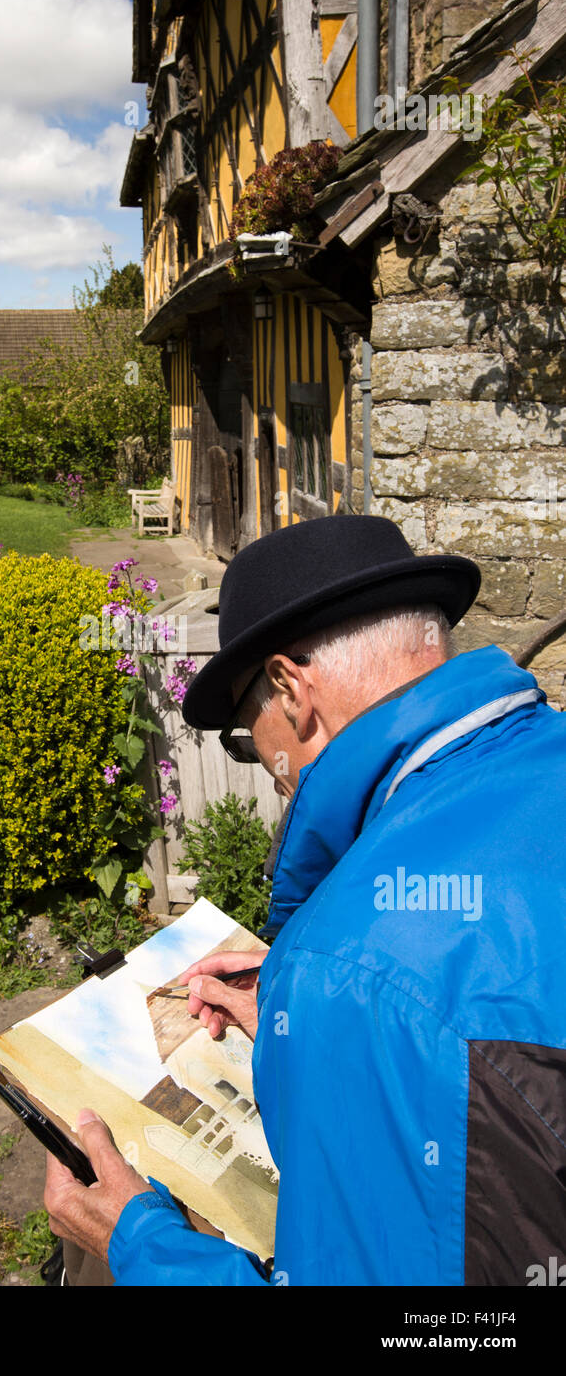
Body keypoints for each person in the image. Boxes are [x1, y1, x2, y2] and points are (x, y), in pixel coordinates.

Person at [44, 515, 566, 1285]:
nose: (260, 761)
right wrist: (310, 1015)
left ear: (291, 689)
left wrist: (141, 1246)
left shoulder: (354, 976)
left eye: (243, 734)